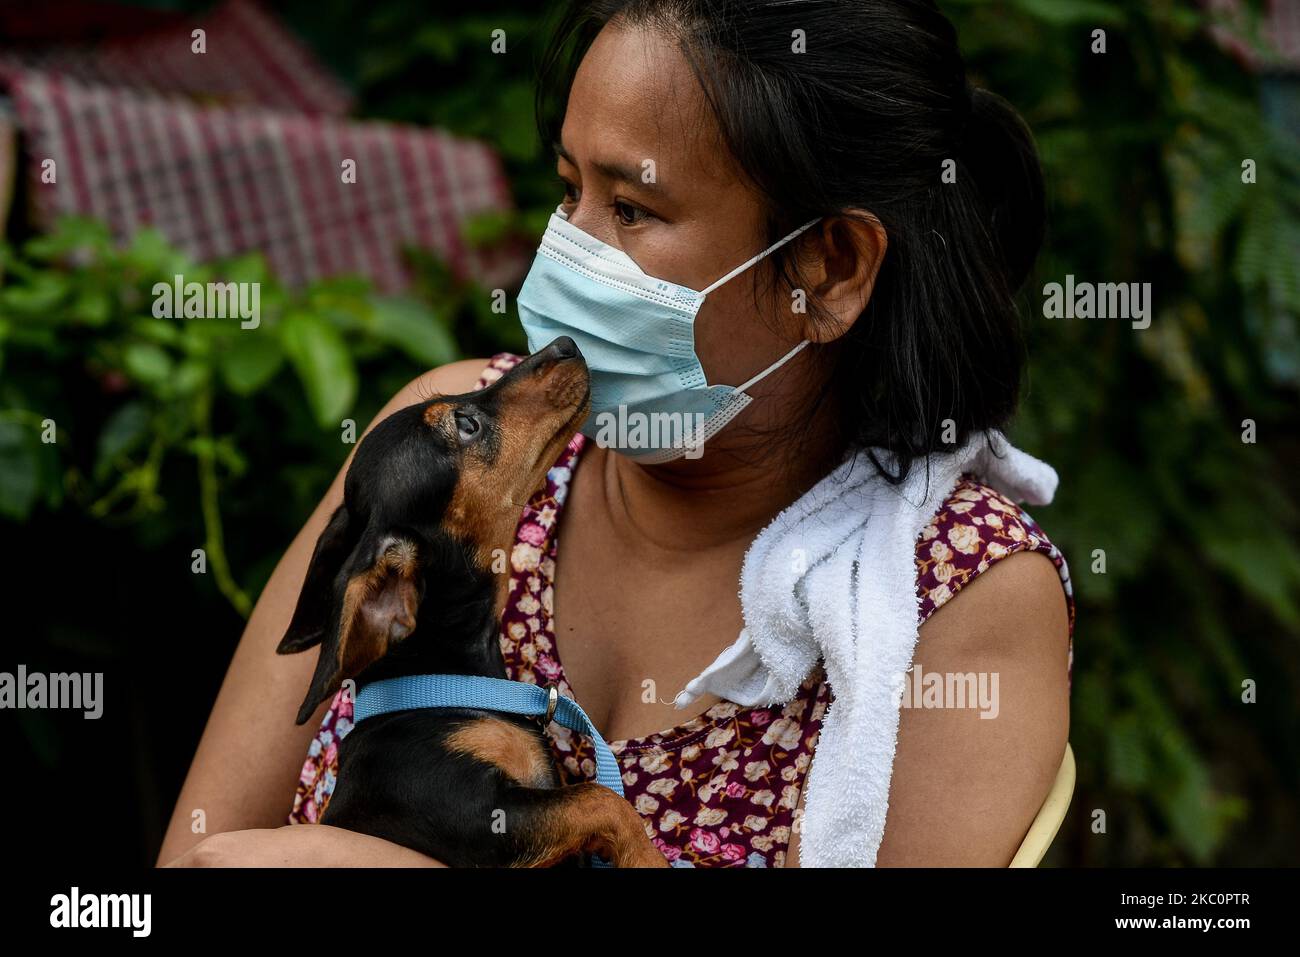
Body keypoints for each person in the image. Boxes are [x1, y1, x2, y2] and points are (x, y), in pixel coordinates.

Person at [159, 0, 1072, 868]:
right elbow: (197, 852)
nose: (567, 255)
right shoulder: (443, 464)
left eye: (632, 210)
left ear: (827, 269)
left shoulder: (951, 594)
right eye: (568, 191)